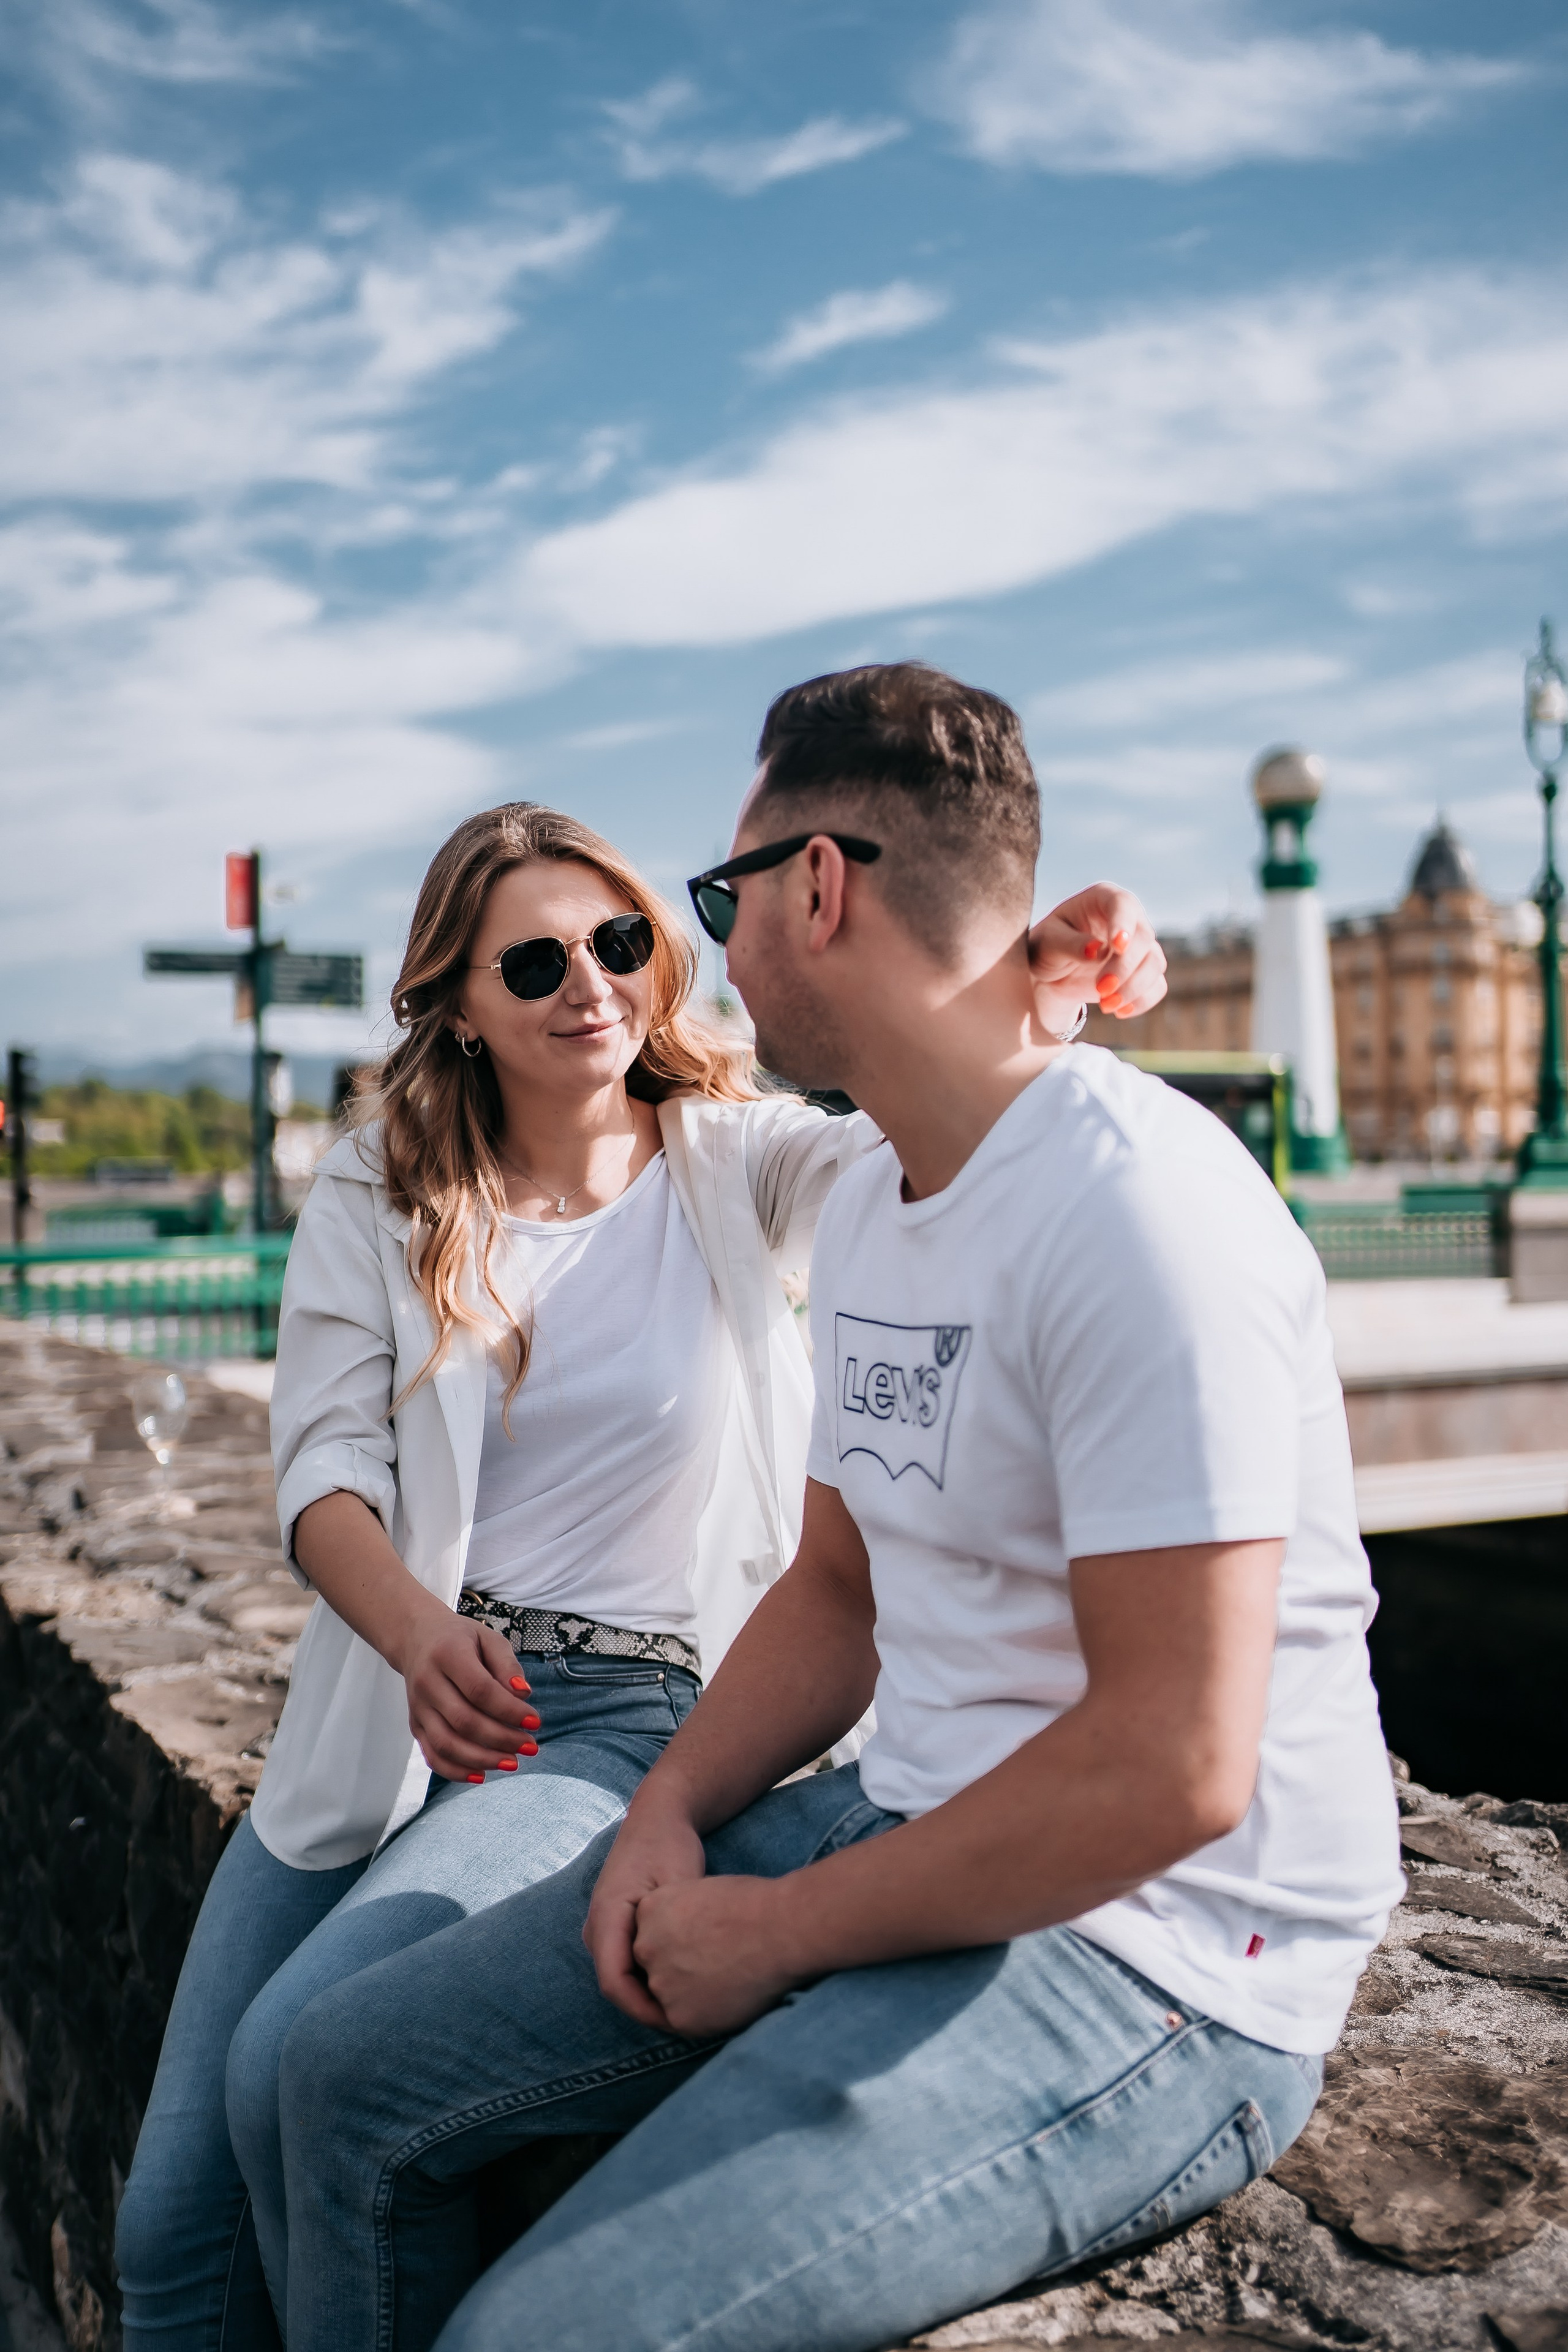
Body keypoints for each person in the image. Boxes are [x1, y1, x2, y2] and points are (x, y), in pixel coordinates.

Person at [225, 663, 1403, 2352]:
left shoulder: (1145, 1218)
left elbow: (1176, 1769)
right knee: (339, 2079)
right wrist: (670, 1811)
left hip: (1165, 1961)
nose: (698, 956)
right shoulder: (878, 1204)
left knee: (533, 2337)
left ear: (822, 888)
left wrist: (775, 1932)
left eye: (712, 901)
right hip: (903, 1815)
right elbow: (840, 1593)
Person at [113, 793, 1165, 2352]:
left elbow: (944, 1126)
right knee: (164, 2229)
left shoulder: (741, 1166)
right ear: (454, 1007)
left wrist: (1042, 979)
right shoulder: (374, 1187)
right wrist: (412, 1640)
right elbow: (325, 1471)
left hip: (612, 1717)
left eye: (618, 942)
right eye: (532, 966)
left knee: (302, 2061)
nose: (589, 985)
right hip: (399, 1702)